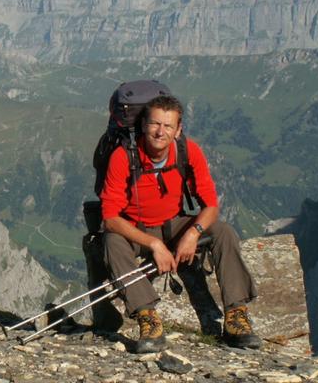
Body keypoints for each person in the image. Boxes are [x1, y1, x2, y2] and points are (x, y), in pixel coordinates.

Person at [100, 94, 261, 353]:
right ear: (143, 125)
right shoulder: (123, 157)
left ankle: (236, 316)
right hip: (137, 231)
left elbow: (211, 206)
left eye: (167, 126)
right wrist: (154, 244)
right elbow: (110, 218)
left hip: (174, 225)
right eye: (154, 124)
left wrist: (193, 234)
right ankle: (148, 319)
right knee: (112, 242)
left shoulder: (188, 151)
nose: (160, 132)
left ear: (178, 130)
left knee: (223, 232)